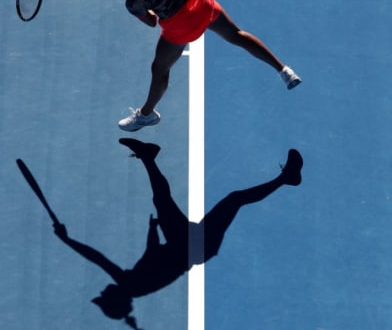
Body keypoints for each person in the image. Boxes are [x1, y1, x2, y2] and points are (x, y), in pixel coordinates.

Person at [52, 138, 303, 328]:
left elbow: (152, 254)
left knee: (226, 199)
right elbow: (96, 258)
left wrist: (152, 231)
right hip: (189, 245)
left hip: (189, 246)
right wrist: (66, 239)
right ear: (116, 299)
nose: (102, 292)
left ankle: (148, 156)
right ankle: (148, 156)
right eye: (103, 297)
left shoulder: (136, 283)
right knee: (180, 199)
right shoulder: (131, 284)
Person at [52, 0, 302, 131]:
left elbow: (151, 22)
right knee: (237, 35)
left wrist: (148, 8)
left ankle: (146, 115)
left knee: (159, 69)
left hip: (182, 22)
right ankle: (284, 70)